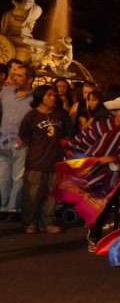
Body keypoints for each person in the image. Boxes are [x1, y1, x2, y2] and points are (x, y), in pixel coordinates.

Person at [57, 97, 120, 251]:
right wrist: (75, 151)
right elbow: (82, 141)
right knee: (100, 207)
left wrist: (115, 158)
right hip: (100, 172)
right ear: (115, 112)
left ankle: (118, 240)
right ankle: (94, 237)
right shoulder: (101, 126)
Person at [18, 84, 71, 233]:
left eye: (54, 95)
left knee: (52, 195)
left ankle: (47, 222)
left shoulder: (61, 115)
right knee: (32, 195)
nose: (53, 98)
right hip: (36, 161)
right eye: (49, 95)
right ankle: (30, 222)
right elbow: (24, 137)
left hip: (56, 161)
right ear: (40, 97)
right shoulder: (31, 116)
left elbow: (68, 134)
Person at [0, 62, 34, 222]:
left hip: (21, 143)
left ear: (30, 79)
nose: (15, 78)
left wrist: (26, 139)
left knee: (18, 178)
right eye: (14, 75)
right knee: (2, 177)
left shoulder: (34, 99)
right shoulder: (5, 92)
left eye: (20, 76)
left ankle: (14, 208)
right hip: (3, 141)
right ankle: (3, 206)